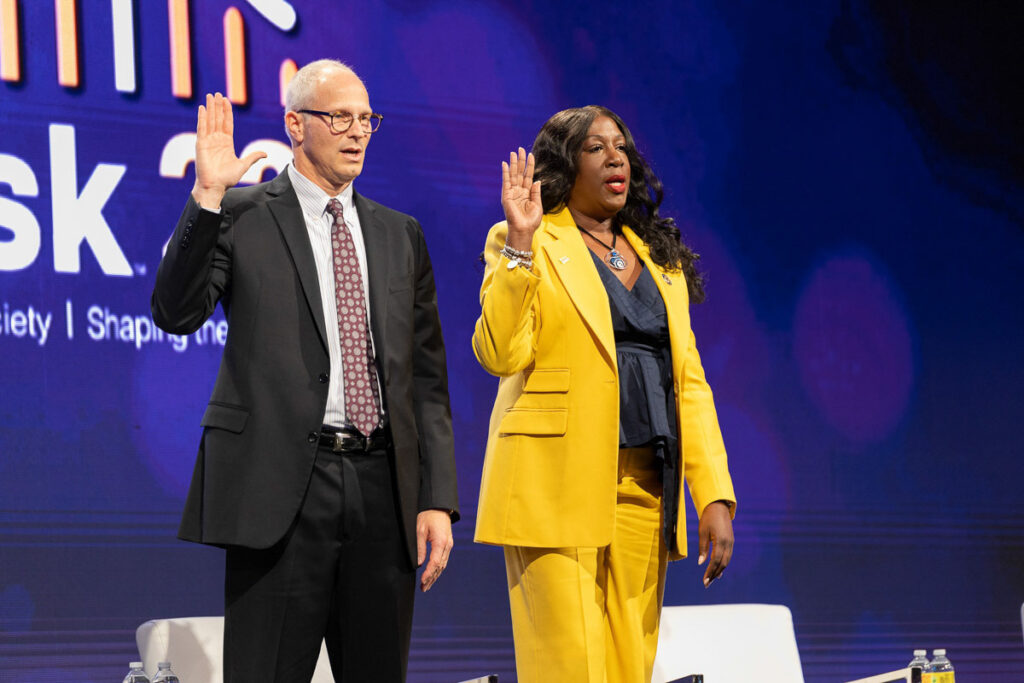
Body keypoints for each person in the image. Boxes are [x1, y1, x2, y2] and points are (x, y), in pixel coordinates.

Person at [151, 59, 458, 683]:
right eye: (339, 116)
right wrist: (207, 196)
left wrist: (437, 499)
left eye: (366, 118)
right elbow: (175, 312)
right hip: (281, 487)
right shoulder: (240, 213)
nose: (357, 132)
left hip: (381, 489)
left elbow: (426, 379)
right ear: (295, 124)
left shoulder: (401, 235)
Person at [472, 106, 737, 683]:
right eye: (595, 148)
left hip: (646, 492)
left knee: (627, 671)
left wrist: (712, 493)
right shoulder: (530, 240)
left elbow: (689, 383)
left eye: (621, 147)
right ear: (566, 165)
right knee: (568, 671)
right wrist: (520, 241)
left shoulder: (657, 261)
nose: (616, 157)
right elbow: (499, 354)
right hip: (554, 488)